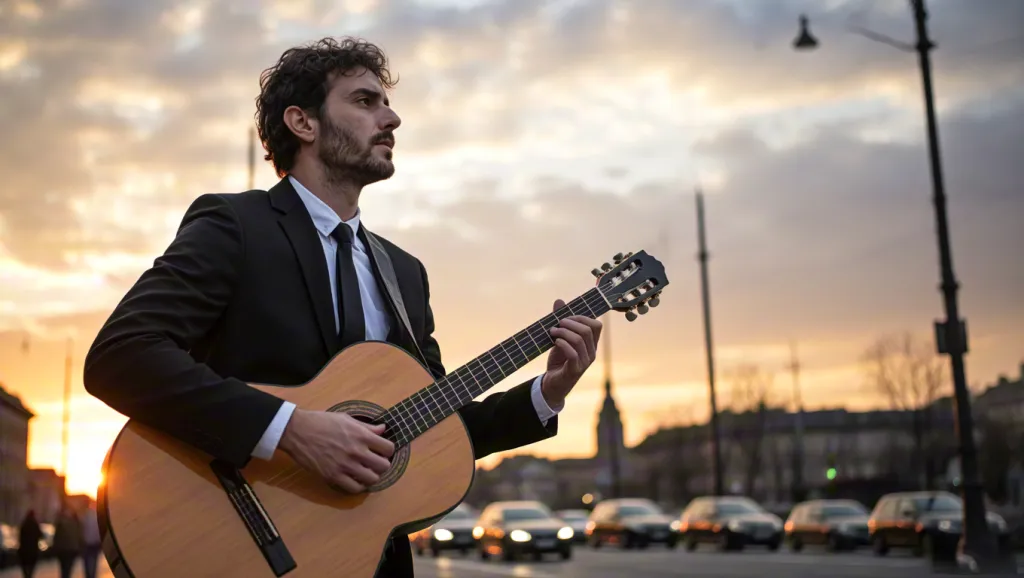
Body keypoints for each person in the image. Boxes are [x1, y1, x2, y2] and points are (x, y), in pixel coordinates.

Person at [83, 36, 601, 578]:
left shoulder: (404, 274)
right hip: (237, 544)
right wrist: (290, 429)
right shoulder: (235, 226)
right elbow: (122, 355)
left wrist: (549, 392)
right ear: (303, 123)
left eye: (387, 102)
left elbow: (438, 424)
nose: (392, 117)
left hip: (366, 558)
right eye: (364, 101)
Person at [51, 504, 82, 578]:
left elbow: (56, 536)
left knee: (65, 568)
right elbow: (79, 535)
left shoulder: (61, 521)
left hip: (65, 549)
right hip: (69, 549)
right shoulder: (75, 521)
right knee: (67, 568)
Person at [17, 510, 42, 578]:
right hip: (33, 549)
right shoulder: (35, 524)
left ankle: (26, 575)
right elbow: (40, 535)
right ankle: (29, 575)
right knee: (31, 566)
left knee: (25, 566)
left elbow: (20, 537)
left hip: (24, 550)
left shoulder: (24, 524)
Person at [81, 502, 102, 578]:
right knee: (93, 562)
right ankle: (91, 576)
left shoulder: (84, 516)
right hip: (94, 543)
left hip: (87, 543)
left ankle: (89, 576)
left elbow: (82, 530)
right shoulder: (96, 517)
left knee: (87, 562)